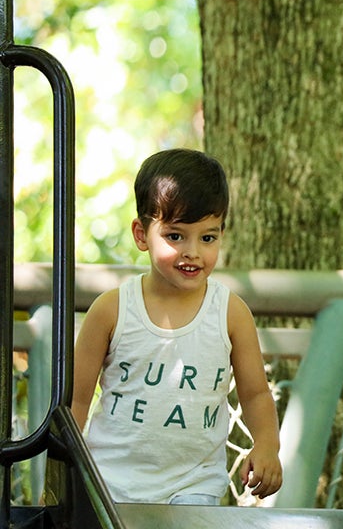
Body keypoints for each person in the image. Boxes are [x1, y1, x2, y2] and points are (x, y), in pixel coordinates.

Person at [71, 148, 283, 505]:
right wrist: (63, 471)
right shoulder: (112, 310)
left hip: (193, 485)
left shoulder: (230, 313)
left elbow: (255, 394)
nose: (193, 252)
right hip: (110, 484)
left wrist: (266, 445)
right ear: (142, 234)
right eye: (175, 236)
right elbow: (75, 400)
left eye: (208, 237)